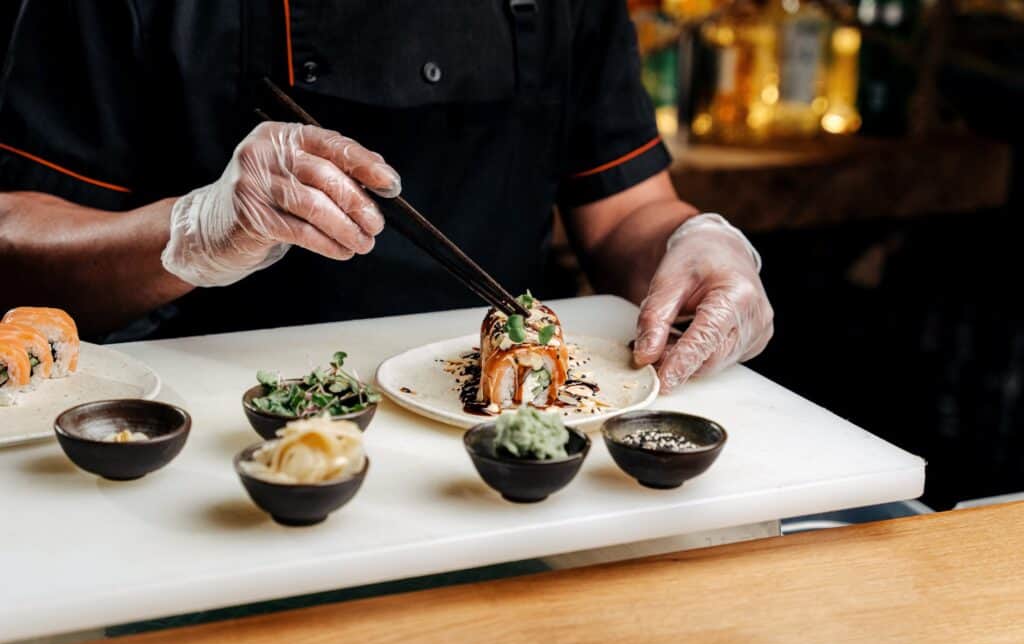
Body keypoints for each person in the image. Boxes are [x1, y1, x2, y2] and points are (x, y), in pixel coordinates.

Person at [0, 0, 772, 393]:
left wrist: (698, 245)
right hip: (207, 444)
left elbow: (629, 211)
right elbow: (16, 241)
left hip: (504, 431)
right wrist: (193, 231)